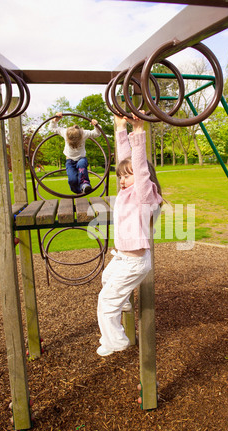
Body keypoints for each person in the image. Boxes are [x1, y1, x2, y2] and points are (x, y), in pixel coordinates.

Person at [96, 112, 163, 357]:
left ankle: (115, 340)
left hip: (134, 262)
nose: (122, 180)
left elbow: (139, 166)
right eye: (120, 177)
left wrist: (138, 131)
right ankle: (123, 302)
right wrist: (120, 128)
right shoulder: (126, 192)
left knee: (105, 302)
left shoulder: (144, 195)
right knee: (107, 278)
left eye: (127, 176)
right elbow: (126, 160)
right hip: (124, 259)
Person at [49, 112, 100, 194]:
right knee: (72, 179)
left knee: (81, 164)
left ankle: (85, 184)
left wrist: (96, 125)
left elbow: (97, 133)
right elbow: (52, 129)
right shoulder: (65, 132)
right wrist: (55, 120)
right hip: (69, 160)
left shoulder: (83, 133)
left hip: (81, 158)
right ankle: (77, 191)